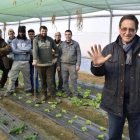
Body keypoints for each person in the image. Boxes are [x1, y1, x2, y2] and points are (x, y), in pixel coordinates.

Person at [88, 14, 140, 140]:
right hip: (115, 102)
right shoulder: (109, 49)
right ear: (119, 29)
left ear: (136, 30)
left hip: (138, 104)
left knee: (137, 136)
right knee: (114, 136)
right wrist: (96, 65)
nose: (127, 32)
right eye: (124, 29)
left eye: (131, 29)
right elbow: (98, 73)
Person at [32, 26, 61, 103]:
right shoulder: (36, 40)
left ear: (46, 31)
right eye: (42, 31)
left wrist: (55, 58)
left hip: (49, 64)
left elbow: (57, 49)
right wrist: (34, 60)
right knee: (43, 80)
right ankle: (44, 95)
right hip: (40, 64)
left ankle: (53, 96)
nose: (44, 32)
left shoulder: (50, 39)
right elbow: (35, 50)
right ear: (40, 31)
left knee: (51, 80)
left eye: (45, 31)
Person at [4, 26, 32, 96]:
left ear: (24, 32)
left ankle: (28, 89)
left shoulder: (28, 41)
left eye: (22, 32)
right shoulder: (14, 41)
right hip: (16, 62)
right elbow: (14, 51)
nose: (21, 33)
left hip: (26, 62)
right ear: (18, 32)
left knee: (27, 77)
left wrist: (19, 48)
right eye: (20, 32)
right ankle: (10, 90)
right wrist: (24, 52)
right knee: (12, 76)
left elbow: (29, 49)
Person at [57, 30, 81, 98]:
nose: (68, 36)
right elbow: (59, 55)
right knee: (64, 80)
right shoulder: (62, 45)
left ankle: (74, 94)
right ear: (65, 35)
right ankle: (67, 92)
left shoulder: (75, 44)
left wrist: (78, 64)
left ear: (71, 35)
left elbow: (79, 54)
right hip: (63, 64)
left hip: (72, 65)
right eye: (66, 34)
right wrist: (58, 65)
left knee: (73, 79)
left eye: (69, 34)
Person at [28, 29, 39, 95]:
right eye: (30, 34)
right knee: (29, 75)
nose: (31, 35)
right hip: (28, 61)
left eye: (32, 34)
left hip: (35, 61)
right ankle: (31, 87)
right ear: (28, 35)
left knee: (35, 75)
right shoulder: (27, 42)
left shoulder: (36, 41)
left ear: (34, 34)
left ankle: (36, 88)